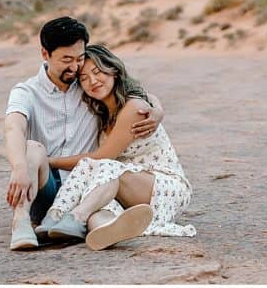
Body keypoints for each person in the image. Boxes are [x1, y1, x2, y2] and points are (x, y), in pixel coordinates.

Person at [4, 17, 165, 250]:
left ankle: (103, 230)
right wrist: (19, 166)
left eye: (79, 58)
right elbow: (13, 127)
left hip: (86, 185)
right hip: (44, 186)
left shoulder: (88, 84)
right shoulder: (26, 92)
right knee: (32, 148)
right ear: (45, 54)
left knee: (97, 208)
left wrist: (157, 111)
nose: (75, 67)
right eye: (66, 60)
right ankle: (20, 223)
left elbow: (135, 92)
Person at [37, 44, 195, 250]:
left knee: (101, 164)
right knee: (97, 201)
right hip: (123, 186)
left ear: (113, 70)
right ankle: (103, 229)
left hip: (165, 188)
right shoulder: (103, 114)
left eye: (97, 72)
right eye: (84, 78)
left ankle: (73, 216)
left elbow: (104, 156)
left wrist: (50, 161)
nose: (92, 81)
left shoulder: (134, 107)